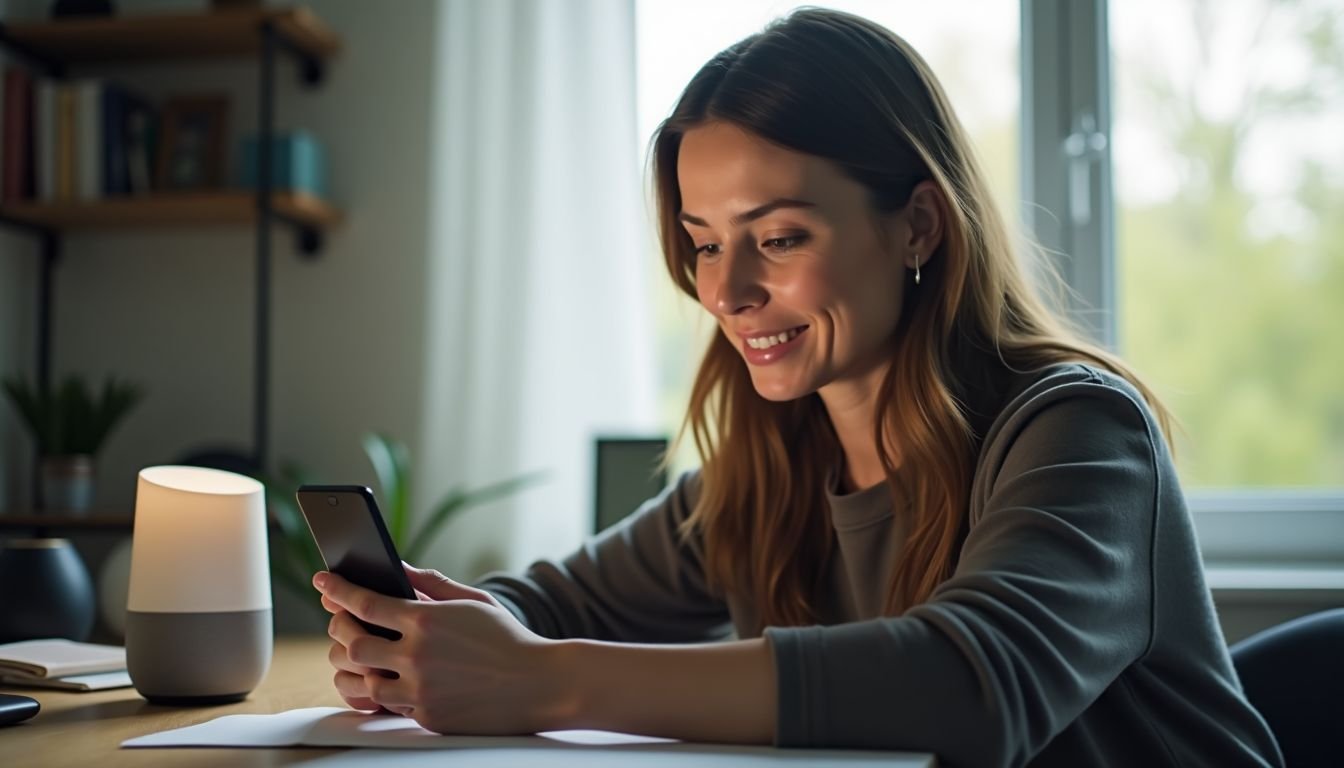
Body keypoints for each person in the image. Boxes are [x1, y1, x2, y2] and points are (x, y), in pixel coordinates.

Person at [313, 9, 1284, 767]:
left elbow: (974, 685)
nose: (726, 293)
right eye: (702, 245)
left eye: (777, 239)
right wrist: (432, 640)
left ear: (918, 227)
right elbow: (553, 604)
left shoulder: (1076, 431)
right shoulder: (772, 468)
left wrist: (546, 682)